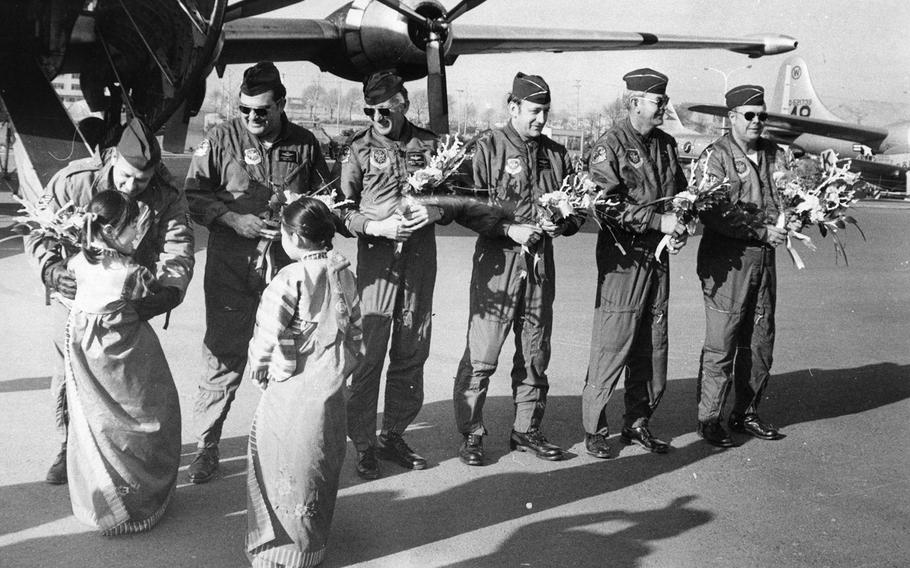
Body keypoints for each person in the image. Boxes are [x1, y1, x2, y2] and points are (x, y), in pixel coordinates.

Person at [337, 70, 502, 480]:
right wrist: (375, 226)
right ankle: (362, 442)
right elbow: (341, 210)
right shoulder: (358, 149)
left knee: (412, 349)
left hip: (418, 263)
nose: (377, 117)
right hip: (376, 264)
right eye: (370, 110)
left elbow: (458, 199)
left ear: (403, 103)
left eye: (385, 109)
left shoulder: (430, 145)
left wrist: (434, 211)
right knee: (369, 354)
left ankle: (393, 432)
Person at [184, 61, 331, 484]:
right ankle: (206, 447)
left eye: (261, 111)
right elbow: (194, 195)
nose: (252, 119)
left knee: (288, 357)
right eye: (245, 110)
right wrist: (232, 220)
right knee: (223, 355)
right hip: (232, 263)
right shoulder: (220, 138)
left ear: (281, 104)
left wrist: (299, 214)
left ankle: (283, 443)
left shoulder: (304, 144)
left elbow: (325, 199)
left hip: (287, 271)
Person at [26, 117, 194, 485]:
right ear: (114, 157)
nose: (133, 187)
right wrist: (52, 269)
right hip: (73, 298)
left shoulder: (165, 193)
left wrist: (168, 292)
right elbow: (37, 230)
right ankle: (69, 445)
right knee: (72, 374)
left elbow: (178, 245)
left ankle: (125, 452)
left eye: (142, 181)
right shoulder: (76, 181)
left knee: (127, 383)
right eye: (127, 176)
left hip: (128, 299)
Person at [453, 72, 584, 466]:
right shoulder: (487, 147)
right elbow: (463, 205)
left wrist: (562, 222)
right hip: (498, 264)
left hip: (540, 265)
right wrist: (508, 227)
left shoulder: (557, 154)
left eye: (545, 112)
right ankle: (472, 433)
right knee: (484, 353)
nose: (541, 119)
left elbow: (577, 208)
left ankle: (526, 429)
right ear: (513, 107)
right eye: (534, 111)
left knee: (534, 350)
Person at [245, 197, 362, 568]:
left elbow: (268, 334)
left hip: (294, 379)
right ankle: (310, 548)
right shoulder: (343, 269)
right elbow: (356, 330)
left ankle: (278, 551)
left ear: (292, 237)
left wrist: (265, 370)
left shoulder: (291, 277)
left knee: (282, 456)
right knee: (318, 457)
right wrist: (344, 365)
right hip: (330, 376)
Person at [581, 68, 688, 459]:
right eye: (659, 101)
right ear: (634, 103)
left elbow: (682, 196)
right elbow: (606, 206)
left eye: (664, 100)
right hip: (624, 260)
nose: (664, 107)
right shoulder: (609, 146)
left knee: (651, 343)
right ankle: (595, 428)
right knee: (613, 342)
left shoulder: (666, 145)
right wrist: (659, 222)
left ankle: (638, 422)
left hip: (657, 260)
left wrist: (680, 229)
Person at [63, 190, 182, 535]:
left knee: (99, 421)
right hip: (128, 354)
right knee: (149, 411)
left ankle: (104, 500)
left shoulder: (76, 262)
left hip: (87, 354)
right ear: (114, 230)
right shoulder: (132, 272)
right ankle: (138, 502)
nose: (137, 233)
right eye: (132, 226)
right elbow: (153, 295)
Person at [692, 84, 792, 447]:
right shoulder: (715, 156)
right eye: (749, 115)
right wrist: (759, 229)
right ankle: (709, 418)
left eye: (762, 115)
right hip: (728, 261)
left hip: (764, 260)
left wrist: (796, 214)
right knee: (723, 341)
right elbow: (711, 209)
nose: (756, 122)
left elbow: (789, 194)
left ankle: (746, 412)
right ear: (731, 117)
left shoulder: (774, 153)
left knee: (760, 339)